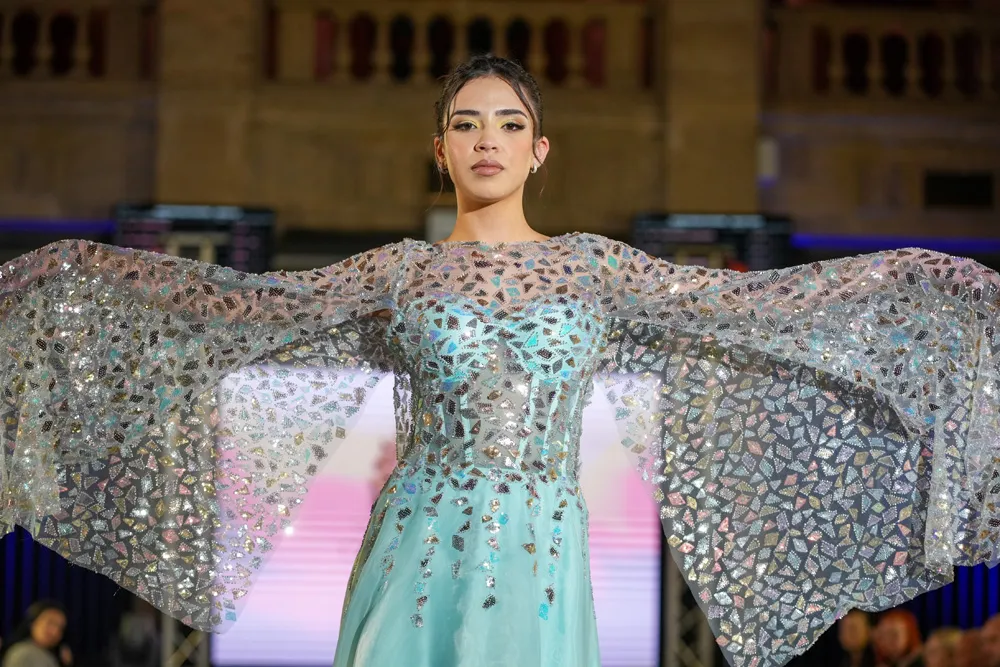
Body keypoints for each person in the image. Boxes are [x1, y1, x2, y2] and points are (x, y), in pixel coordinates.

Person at [0, 54, 998, 667]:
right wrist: (72, 273)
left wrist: (916, 280)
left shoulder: (595, 268)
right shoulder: (400, 272)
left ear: (540, 150)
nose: (489, 140)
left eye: (510, 124)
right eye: (467, 124)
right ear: (439, 150)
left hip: (542, 552)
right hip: (418, 546)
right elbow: (240, 309)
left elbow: (755, 308)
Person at [0, 601, 71, 667]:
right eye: (50, 623)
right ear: (32, 622)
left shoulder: (47, 655)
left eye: (60, 628)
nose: (55, 631)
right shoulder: (24, 653)